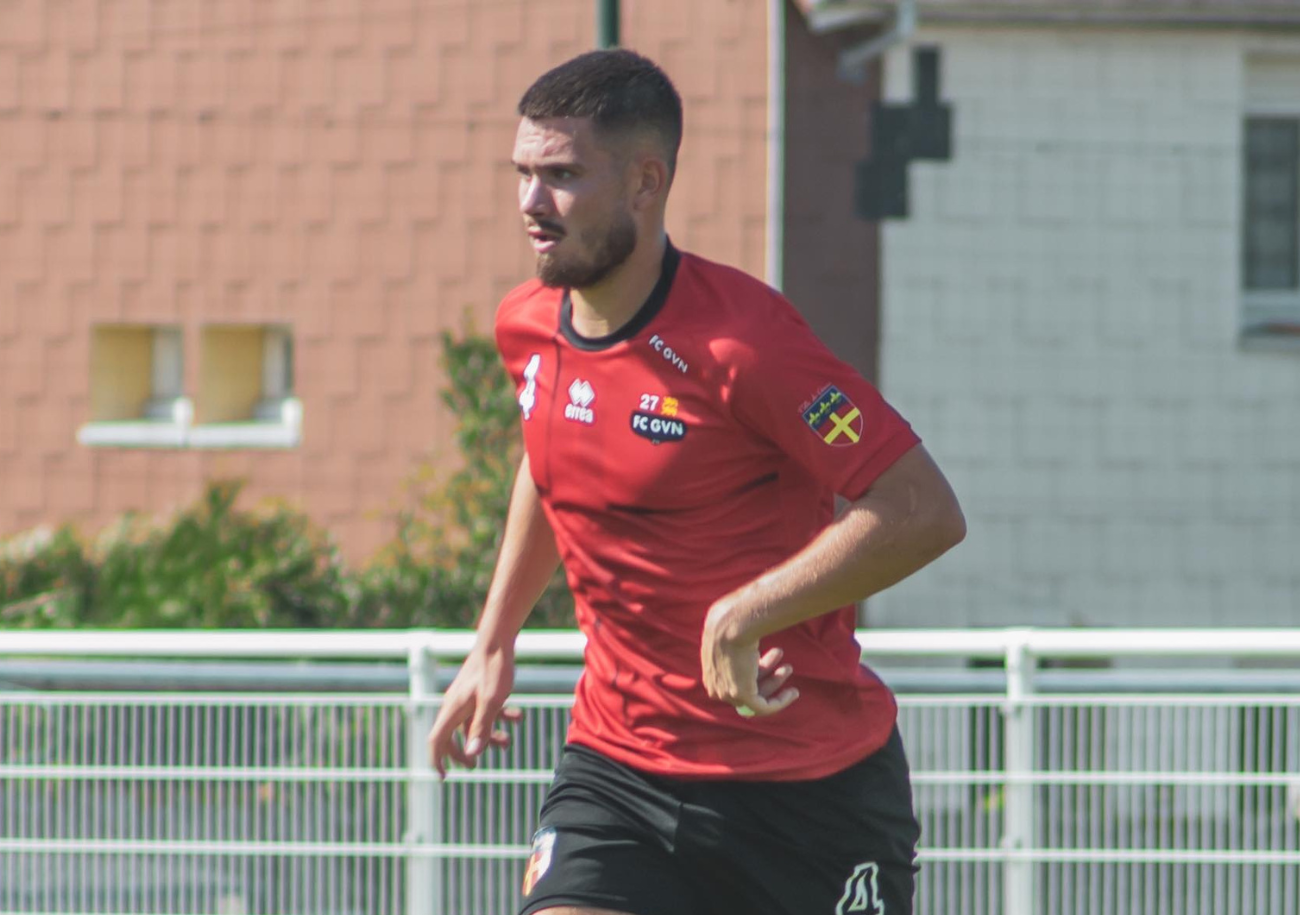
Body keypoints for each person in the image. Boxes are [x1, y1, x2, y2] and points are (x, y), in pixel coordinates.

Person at [427, 48, 966, 915]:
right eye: (522, 173)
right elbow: (552, 456)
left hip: (805, 792)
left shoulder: (745, 343)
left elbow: (919, 509)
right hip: (617, 771)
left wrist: (746, 609)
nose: (531, 204)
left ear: (646, 182)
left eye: (561, 175)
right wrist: (495, 638)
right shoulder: (526, 327)